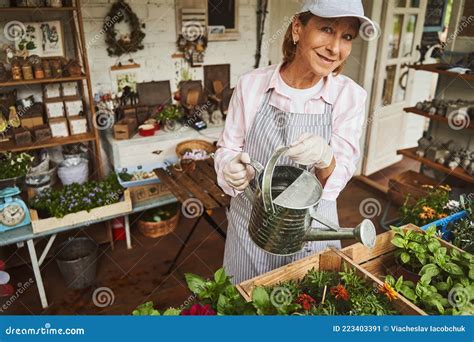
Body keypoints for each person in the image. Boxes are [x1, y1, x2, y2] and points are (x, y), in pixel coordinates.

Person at [214, 0, 376, 284]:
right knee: (242, 310)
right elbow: (228, 148)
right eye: (327, 29)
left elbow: (336, 181)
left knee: (307, 310)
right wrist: (230, 167)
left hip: (310, 229)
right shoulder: (251, 85)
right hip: (249, 224)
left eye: (347, 36)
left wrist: (326, 158)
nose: (335, 48)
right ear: (298, 28)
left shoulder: (350, 97)